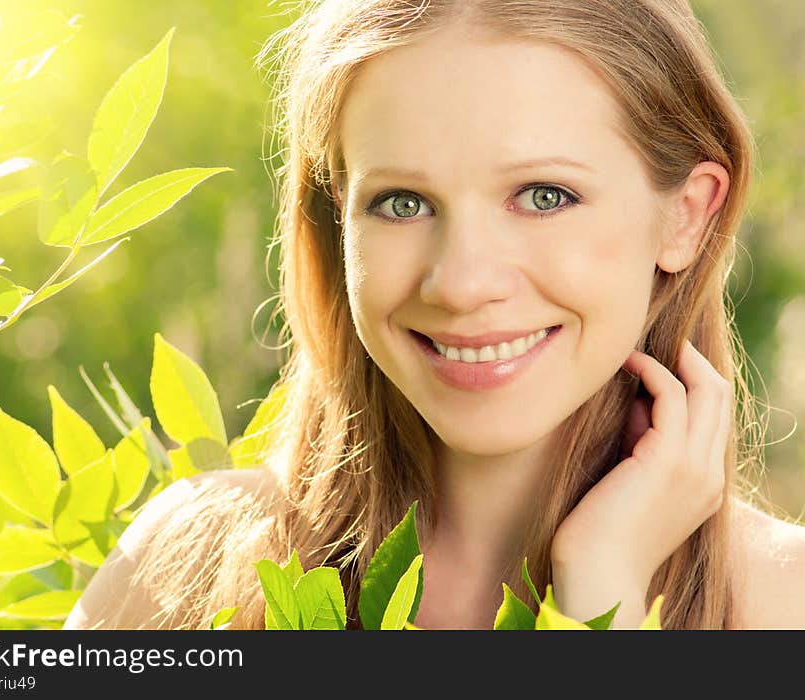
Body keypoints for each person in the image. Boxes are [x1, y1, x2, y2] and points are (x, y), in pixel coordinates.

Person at [63, 0, 805, 631]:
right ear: (334, 221)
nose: (460, 283)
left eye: (545, 195)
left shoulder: (783, 601)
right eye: (401, 203)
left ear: (685, 214)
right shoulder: (179, 570)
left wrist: (600, 591)